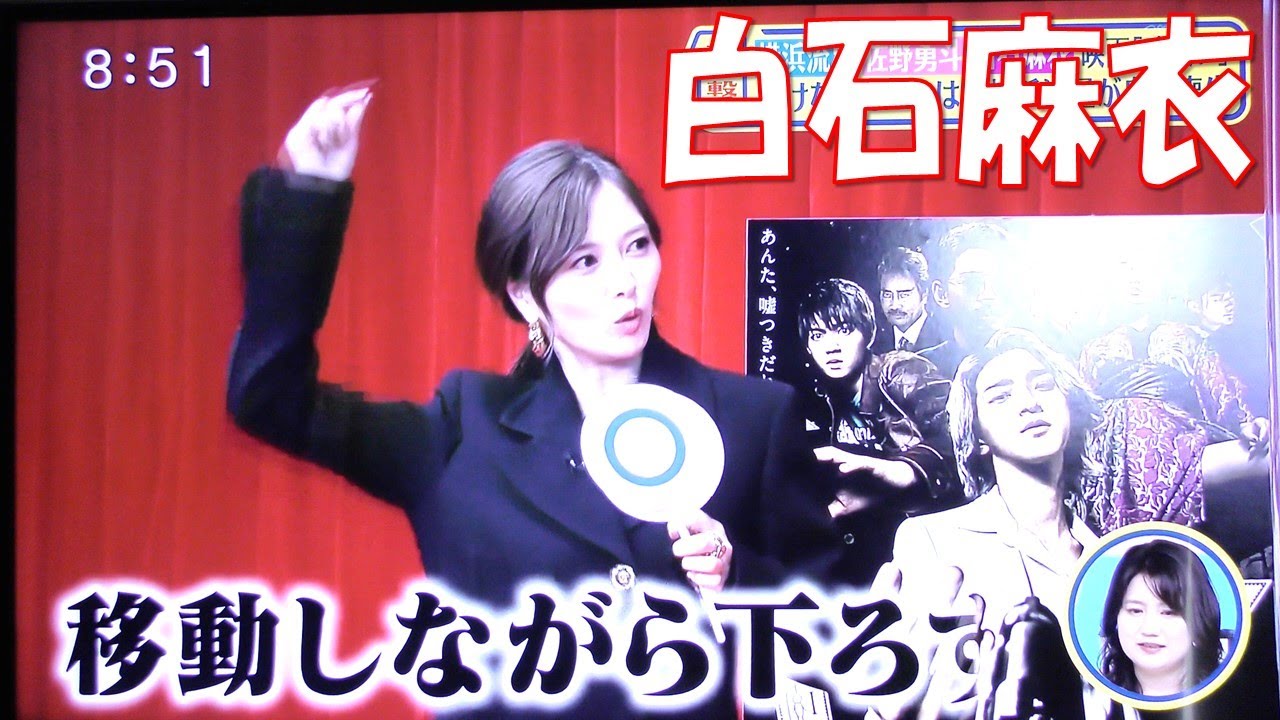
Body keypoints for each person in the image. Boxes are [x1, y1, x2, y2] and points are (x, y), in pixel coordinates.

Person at [226, 85, 835, 719]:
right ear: (524, 296)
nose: (625, 282)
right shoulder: (462, 428)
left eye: (637, 246)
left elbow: (836, 644)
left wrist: (737, 580)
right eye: (585, 262)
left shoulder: (753, 419)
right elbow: (268, 399)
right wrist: (310, 194)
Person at [795, 277, 960, 586]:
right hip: (870, 549)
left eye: (844, 330)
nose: (831, 346)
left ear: (868, 333)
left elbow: (961, 433)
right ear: (808, 346)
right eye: (818, 335)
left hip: (937, 537)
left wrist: (904, 471)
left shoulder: (900, 371)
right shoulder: (818, 399)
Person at [1098, 540, 1225, 698]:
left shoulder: (1231, 698)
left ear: (1199, 618)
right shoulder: (1093, 700)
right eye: (1135, 611)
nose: (1149, 629)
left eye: (1168, 613)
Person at [924, 222, 1017, 379]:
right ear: (941, 294)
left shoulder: (1042, 361)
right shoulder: (922, 371)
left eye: (1001, 283)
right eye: (972, 283)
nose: (988, 295)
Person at [870, 246, 949, 357]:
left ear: (924, 294)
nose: (895, 305)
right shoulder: (872, 343)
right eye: (887, 295)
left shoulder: (944, 339)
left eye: (904, 295)